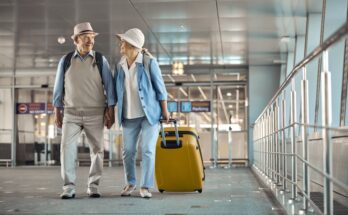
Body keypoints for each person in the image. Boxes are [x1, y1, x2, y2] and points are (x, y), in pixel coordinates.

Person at [53, 22, 116, 199]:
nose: (90, 40)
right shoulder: (66, 61)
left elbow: (109, 87)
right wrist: (57, 111)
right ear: (76, 40)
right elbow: (58, 88)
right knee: (66, 149)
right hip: (71, 114)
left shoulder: (99, 59)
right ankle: (68, 187)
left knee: (97, 150)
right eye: (86, 37)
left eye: (92, 37)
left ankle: (93, 186)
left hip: (95, 113)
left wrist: (110, 111)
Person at [114, 28, 169, 198]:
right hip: (129, 116)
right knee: (128, 151)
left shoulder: (148, 62)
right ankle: (130, 183)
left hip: (149, 115)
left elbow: (161, 88)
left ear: (132, 45)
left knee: (147, 150)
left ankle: (145, 186)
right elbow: (118, 91)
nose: (120, 44)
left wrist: (165, 111)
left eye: (123, 42)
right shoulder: (120, 65)